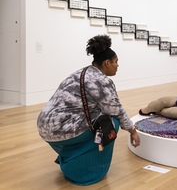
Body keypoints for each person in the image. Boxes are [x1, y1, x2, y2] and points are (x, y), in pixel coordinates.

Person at [37, 35, 140, 185]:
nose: (117, 65)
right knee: (112, 123)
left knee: (101, 117)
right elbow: (116, 110)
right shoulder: (102, 81)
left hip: (44, 126)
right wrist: (133, 131)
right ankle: (88, 171)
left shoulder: (79, 73)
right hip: (60, 129)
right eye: (116, 62)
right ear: (106, 63)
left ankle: (71, 157)